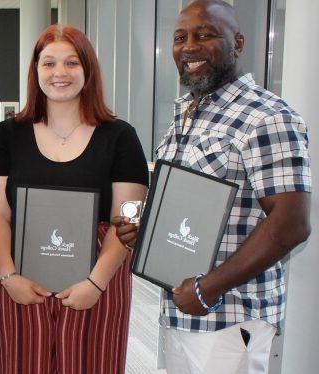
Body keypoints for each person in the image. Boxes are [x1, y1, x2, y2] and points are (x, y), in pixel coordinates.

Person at [112, 1, 311, 373]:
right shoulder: (186, 114)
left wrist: (209, 287)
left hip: (232, 319)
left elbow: (290, 223)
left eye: (205, 35)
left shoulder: (267, 117)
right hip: (181, 314)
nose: (189, 47)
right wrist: (147, 235)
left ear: (237, 43)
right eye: (180, 37)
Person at [0, 24, 149, 374]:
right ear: (36, 71)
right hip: (20, 276)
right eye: (48, 63)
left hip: (98, 275)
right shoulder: (8, 134)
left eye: (72, 62)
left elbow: (128, 220)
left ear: (87, 70)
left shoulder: (121, 137)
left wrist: (96, 283)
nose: (60, 72)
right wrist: (7, 276)